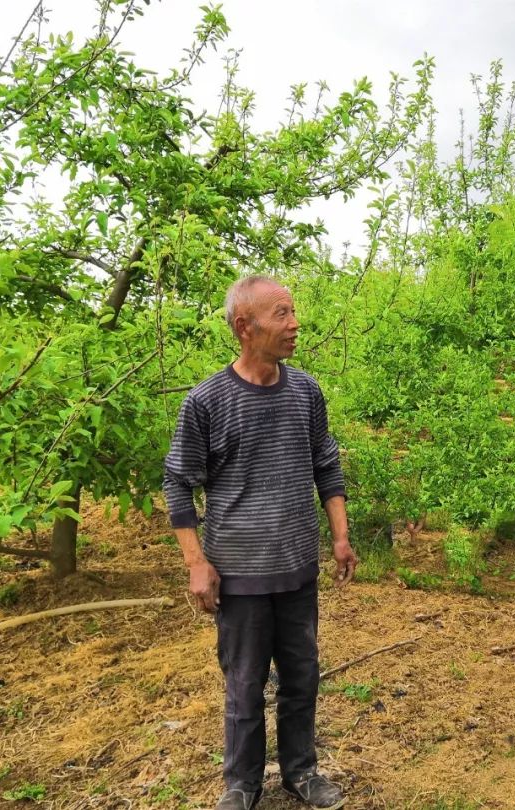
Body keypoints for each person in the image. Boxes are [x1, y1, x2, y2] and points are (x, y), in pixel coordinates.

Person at [163, 275, 358, 810]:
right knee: (245, 686)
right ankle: (241, 784)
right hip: (241, 575)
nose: (295, 324)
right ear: (244, 327)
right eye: (282, 314)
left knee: (302, 677)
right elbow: (178, 480)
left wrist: (339, 536)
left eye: (293, 311)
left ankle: (301, 771)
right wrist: (195, 562)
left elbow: (326, 464)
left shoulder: (306, 391)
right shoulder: (207, 402)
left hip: (298, 568)